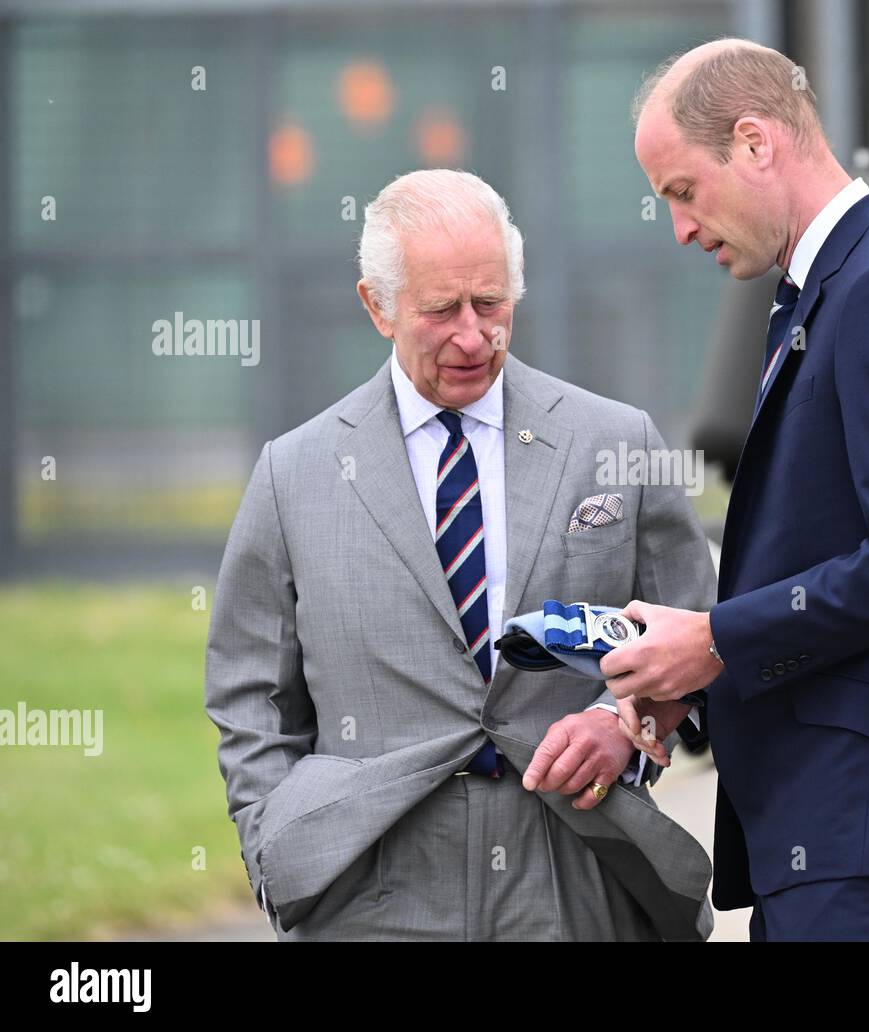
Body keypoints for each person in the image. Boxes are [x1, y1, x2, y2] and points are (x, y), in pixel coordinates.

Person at [204, 168, 716, 941]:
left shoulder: (617, 443)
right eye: (442, 310)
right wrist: (277, 839)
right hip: (370, 887)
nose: (474, 336)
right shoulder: (293, 473)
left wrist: (624, 724)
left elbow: (694, 633)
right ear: (376, 306)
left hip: (578, 869)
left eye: (492, 303)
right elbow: (250, 694)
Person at [604, 38, 869, 941]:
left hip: (867, 821)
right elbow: (826, 546)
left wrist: (713, 642)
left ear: (754, 143)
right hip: (834, 823)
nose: (680, 228)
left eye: (682, 191)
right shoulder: (829, 289)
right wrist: (701, 676)